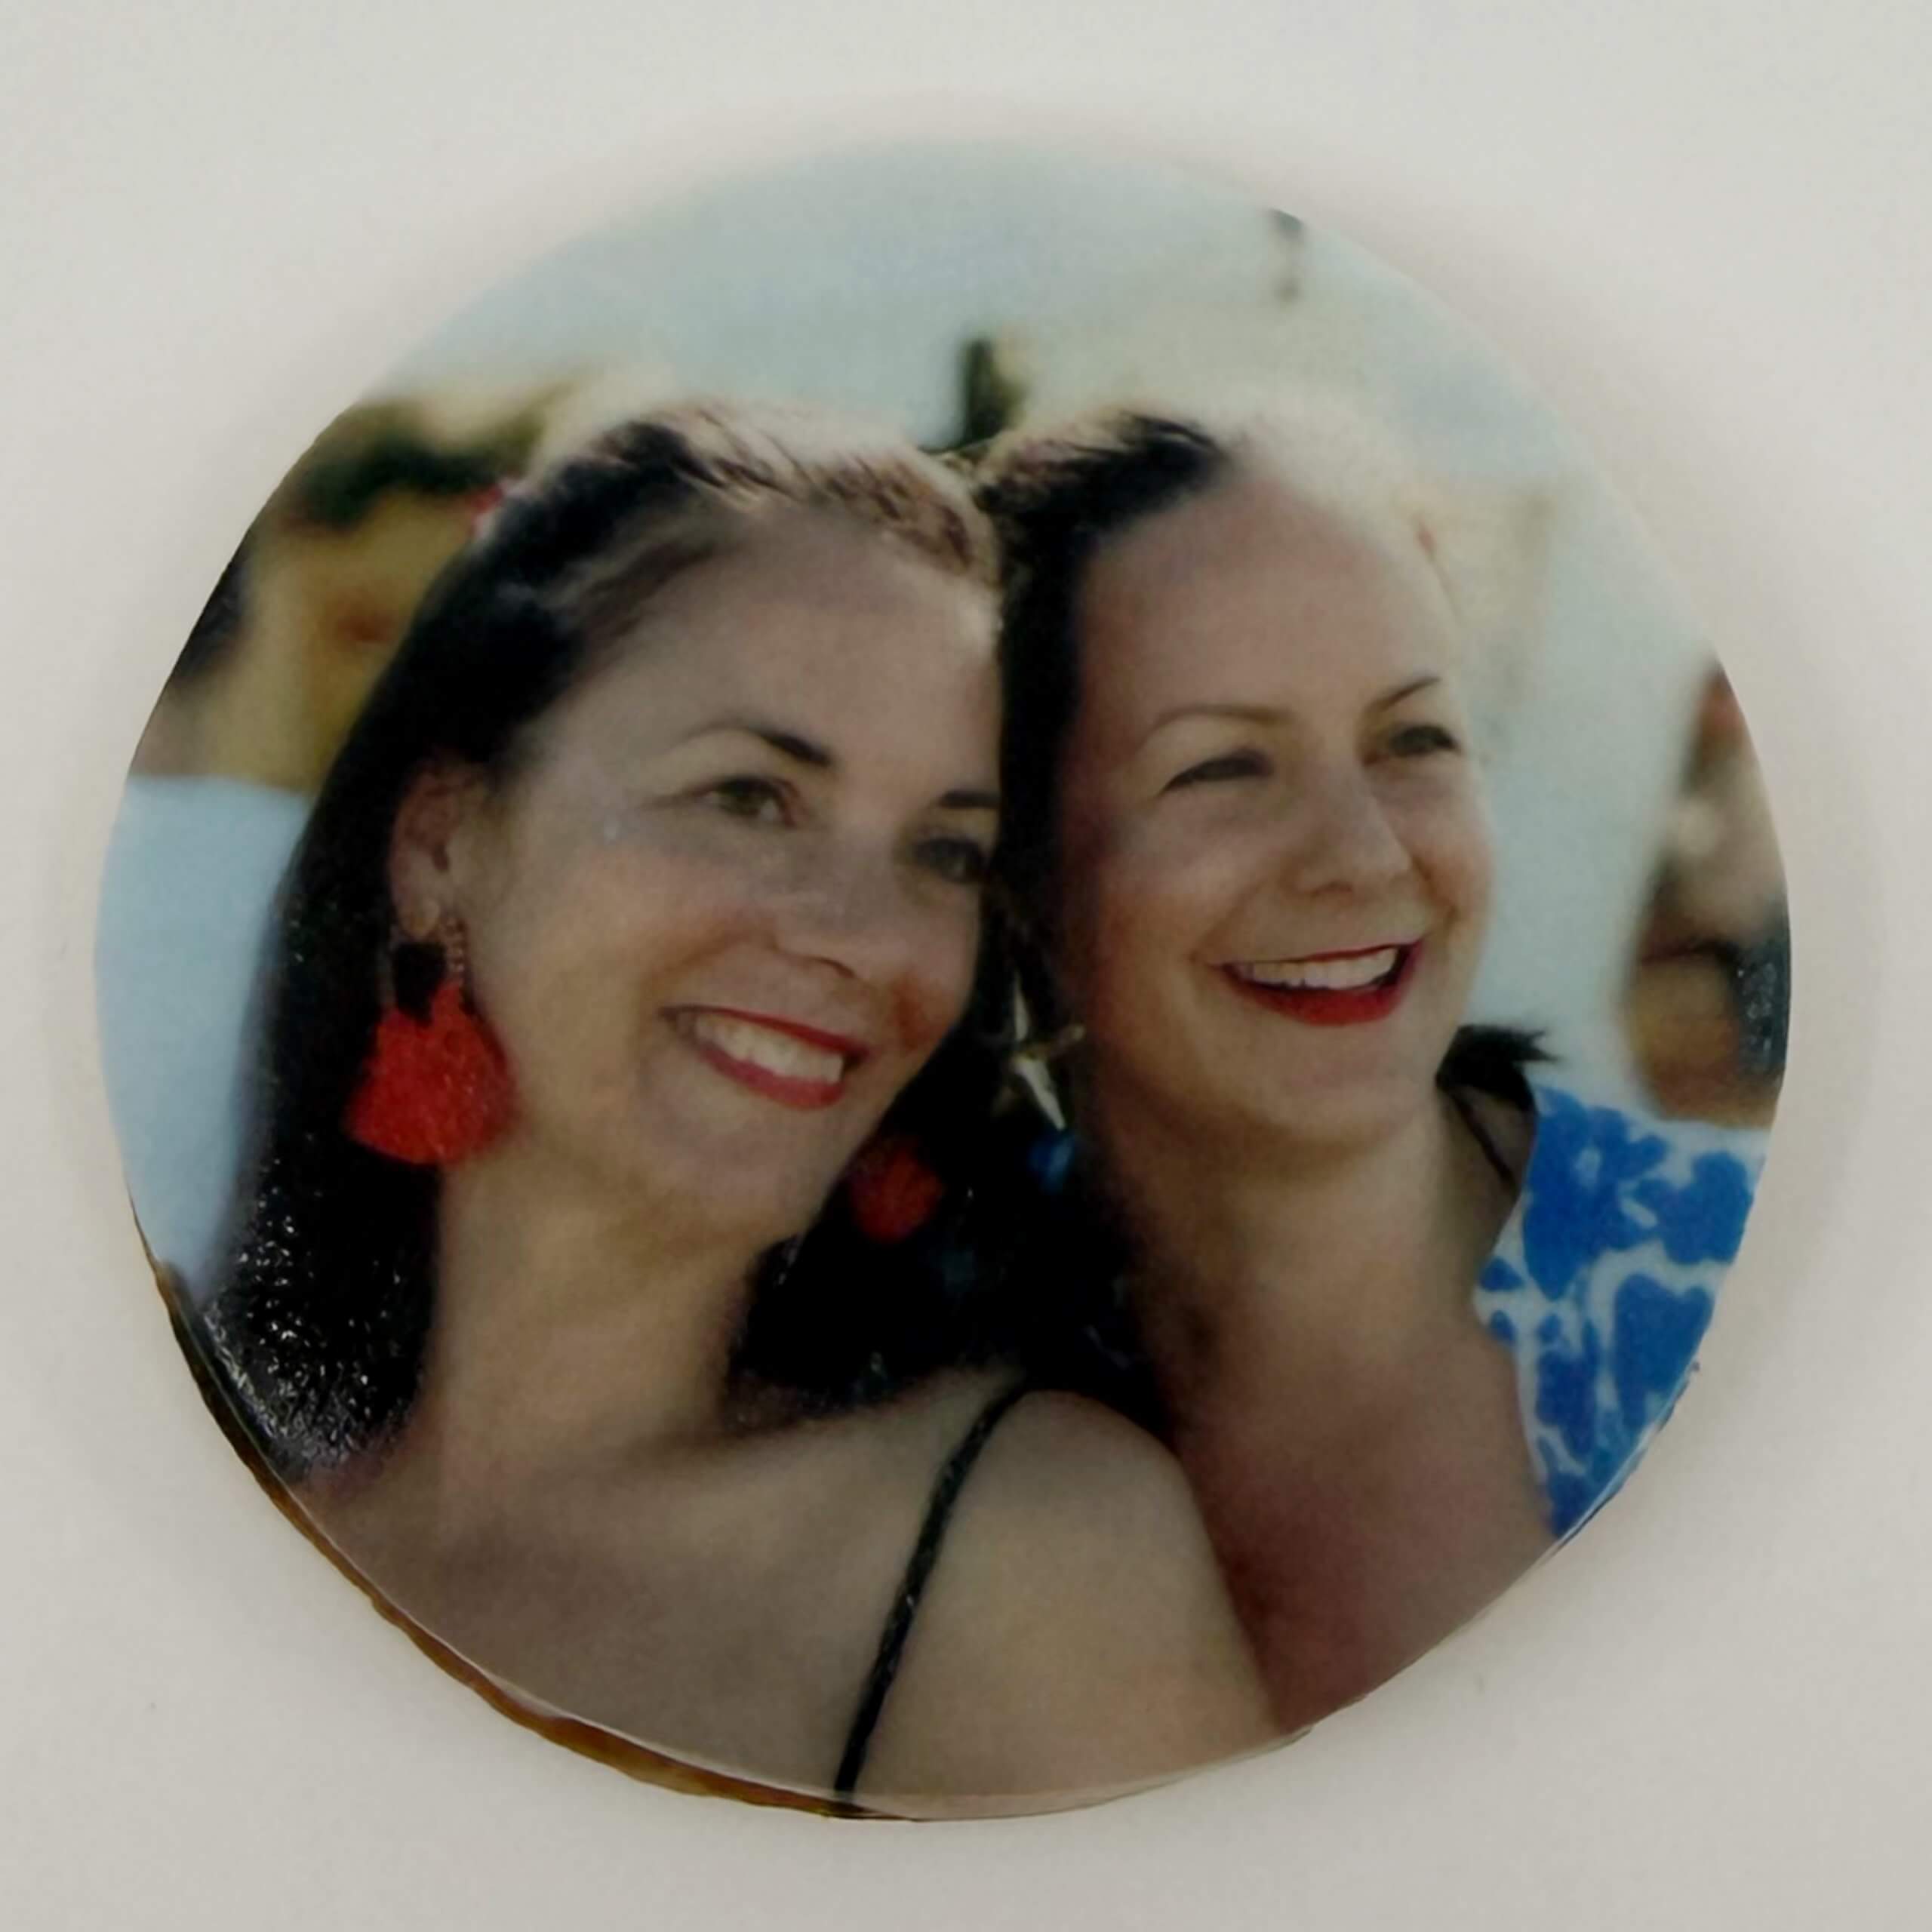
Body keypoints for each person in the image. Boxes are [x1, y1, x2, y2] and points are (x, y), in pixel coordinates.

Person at [183, 401, 1270, 1817]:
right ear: (443, 844)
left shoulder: (1026, 1559)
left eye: (947, 853)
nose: (865, 936)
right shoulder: (208, 1516)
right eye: (750, 797)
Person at [980, 405, 1764, 1734]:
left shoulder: (1746, 1284)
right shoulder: (926, 1345)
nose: (1361, 854)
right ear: (1020, 873)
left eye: (1414, 741)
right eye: (1222, 767)